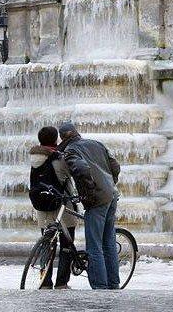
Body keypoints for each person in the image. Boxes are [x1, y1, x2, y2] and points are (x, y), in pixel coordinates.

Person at [58, 122, 120, 290]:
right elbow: (115, 166)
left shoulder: (70, 151)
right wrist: (109, 184)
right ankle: (113, 284)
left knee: (94, 246)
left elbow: (81, 168)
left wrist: (90, 190)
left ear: (62, 137)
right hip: (111, 195)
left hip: (97, 200)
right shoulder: (96, 143)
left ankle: (100, 286)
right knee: (108, 242)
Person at [29, 126, 77, 289]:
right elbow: (68, 177)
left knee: (46, 244)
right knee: (66, 245)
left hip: (42, 207)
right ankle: (62, 282)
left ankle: (45, 282)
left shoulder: (35, 158)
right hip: (61, 207)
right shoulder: (58, 158)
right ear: (56, 139)